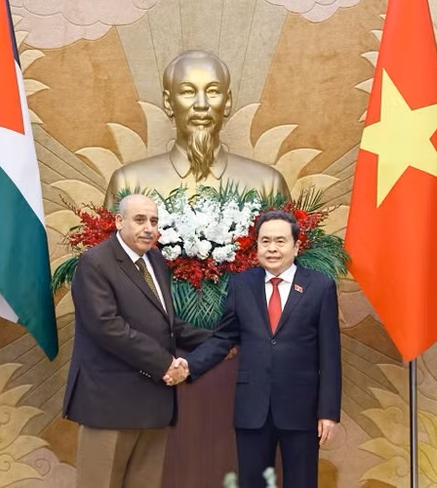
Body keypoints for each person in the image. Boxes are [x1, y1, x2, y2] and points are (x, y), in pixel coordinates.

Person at [177, 211, 342, 487]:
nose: (272, 248)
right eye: (265, 241)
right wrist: (189, 365)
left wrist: (328, 412)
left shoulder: (319, 287)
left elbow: (330, 355)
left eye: (280, 240)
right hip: (253, 408)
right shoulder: (242, 285)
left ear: (296, 246)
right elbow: (223, 338)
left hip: (302, 409)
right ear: (257, 247)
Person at [63, 194, 210, 488]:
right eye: (140, 220)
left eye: (154, 221)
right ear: (119, 221)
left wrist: (218, 340)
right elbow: (108, 327)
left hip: (153, 404)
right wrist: (166, 363)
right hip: (110, 404)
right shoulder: (95, 263)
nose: (149, 228)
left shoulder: (155, 260)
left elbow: (166, 325)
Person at [104, 50, 290, 210]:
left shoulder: (268, 185)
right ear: (169, 103)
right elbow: (111, 251)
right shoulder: (128, 183)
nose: (201, 105)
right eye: (188, 92)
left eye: (212, 91)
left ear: (227, 102)